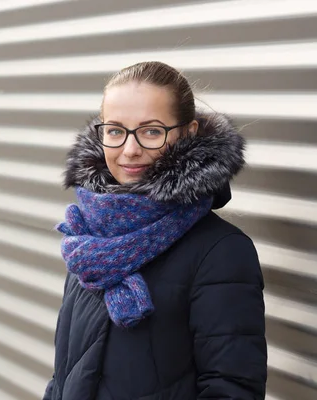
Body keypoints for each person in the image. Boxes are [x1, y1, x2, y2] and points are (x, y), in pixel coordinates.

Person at [43, 61, 267, 400]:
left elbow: (232, 389)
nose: (130, 149)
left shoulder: (221, 252)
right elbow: (65, 377)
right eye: (116, 131)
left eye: (151, 131)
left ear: (187, 133)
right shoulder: (90, 241)